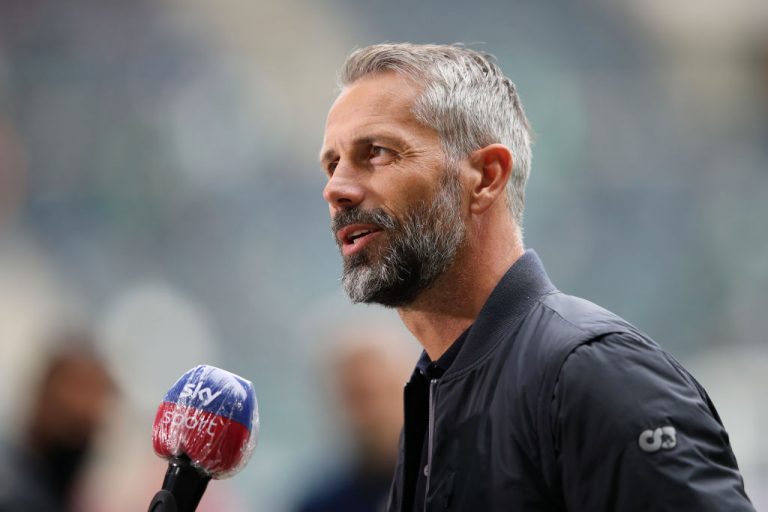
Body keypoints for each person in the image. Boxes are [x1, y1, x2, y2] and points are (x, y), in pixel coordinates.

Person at [318, 43, 755, 511]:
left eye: (377, 152)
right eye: (332, 164)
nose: (335, 188)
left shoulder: (595, 373)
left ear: (486, 176)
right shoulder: (436, 388)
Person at [295, 324, 413, 512]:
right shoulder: (323, 503)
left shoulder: (452, 483)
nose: (376, 411)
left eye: (385, 391)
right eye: (358, 397)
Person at [0, 332, 115, 512]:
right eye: (79, 388)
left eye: (101, 395)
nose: (90, 409)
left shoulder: (59, 490)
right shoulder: (15, 491)